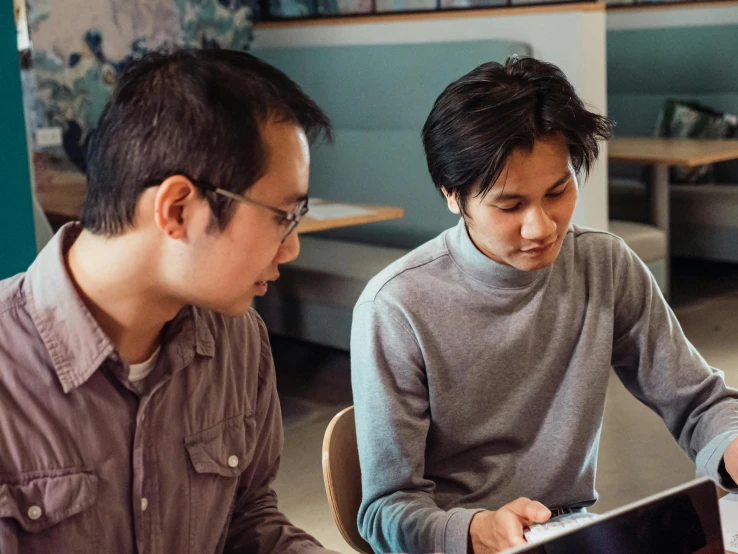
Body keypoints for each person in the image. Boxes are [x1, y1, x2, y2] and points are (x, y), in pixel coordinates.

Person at [350, 56, 738, 554]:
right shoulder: (397, 307)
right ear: (453, 196)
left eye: (558, 191)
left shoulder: (604, 264)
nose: (542, 227)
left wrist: (730, 446)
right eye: (510, 206)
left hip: (572, 532)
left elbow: (698, 402)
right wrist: (475, 531)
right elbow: (386, 509)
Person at [0, 48, 340, 554]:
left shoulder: (238, 339)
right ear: (178, 208)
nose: (291, 247)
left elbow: (246, 521)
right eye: (281, 216)